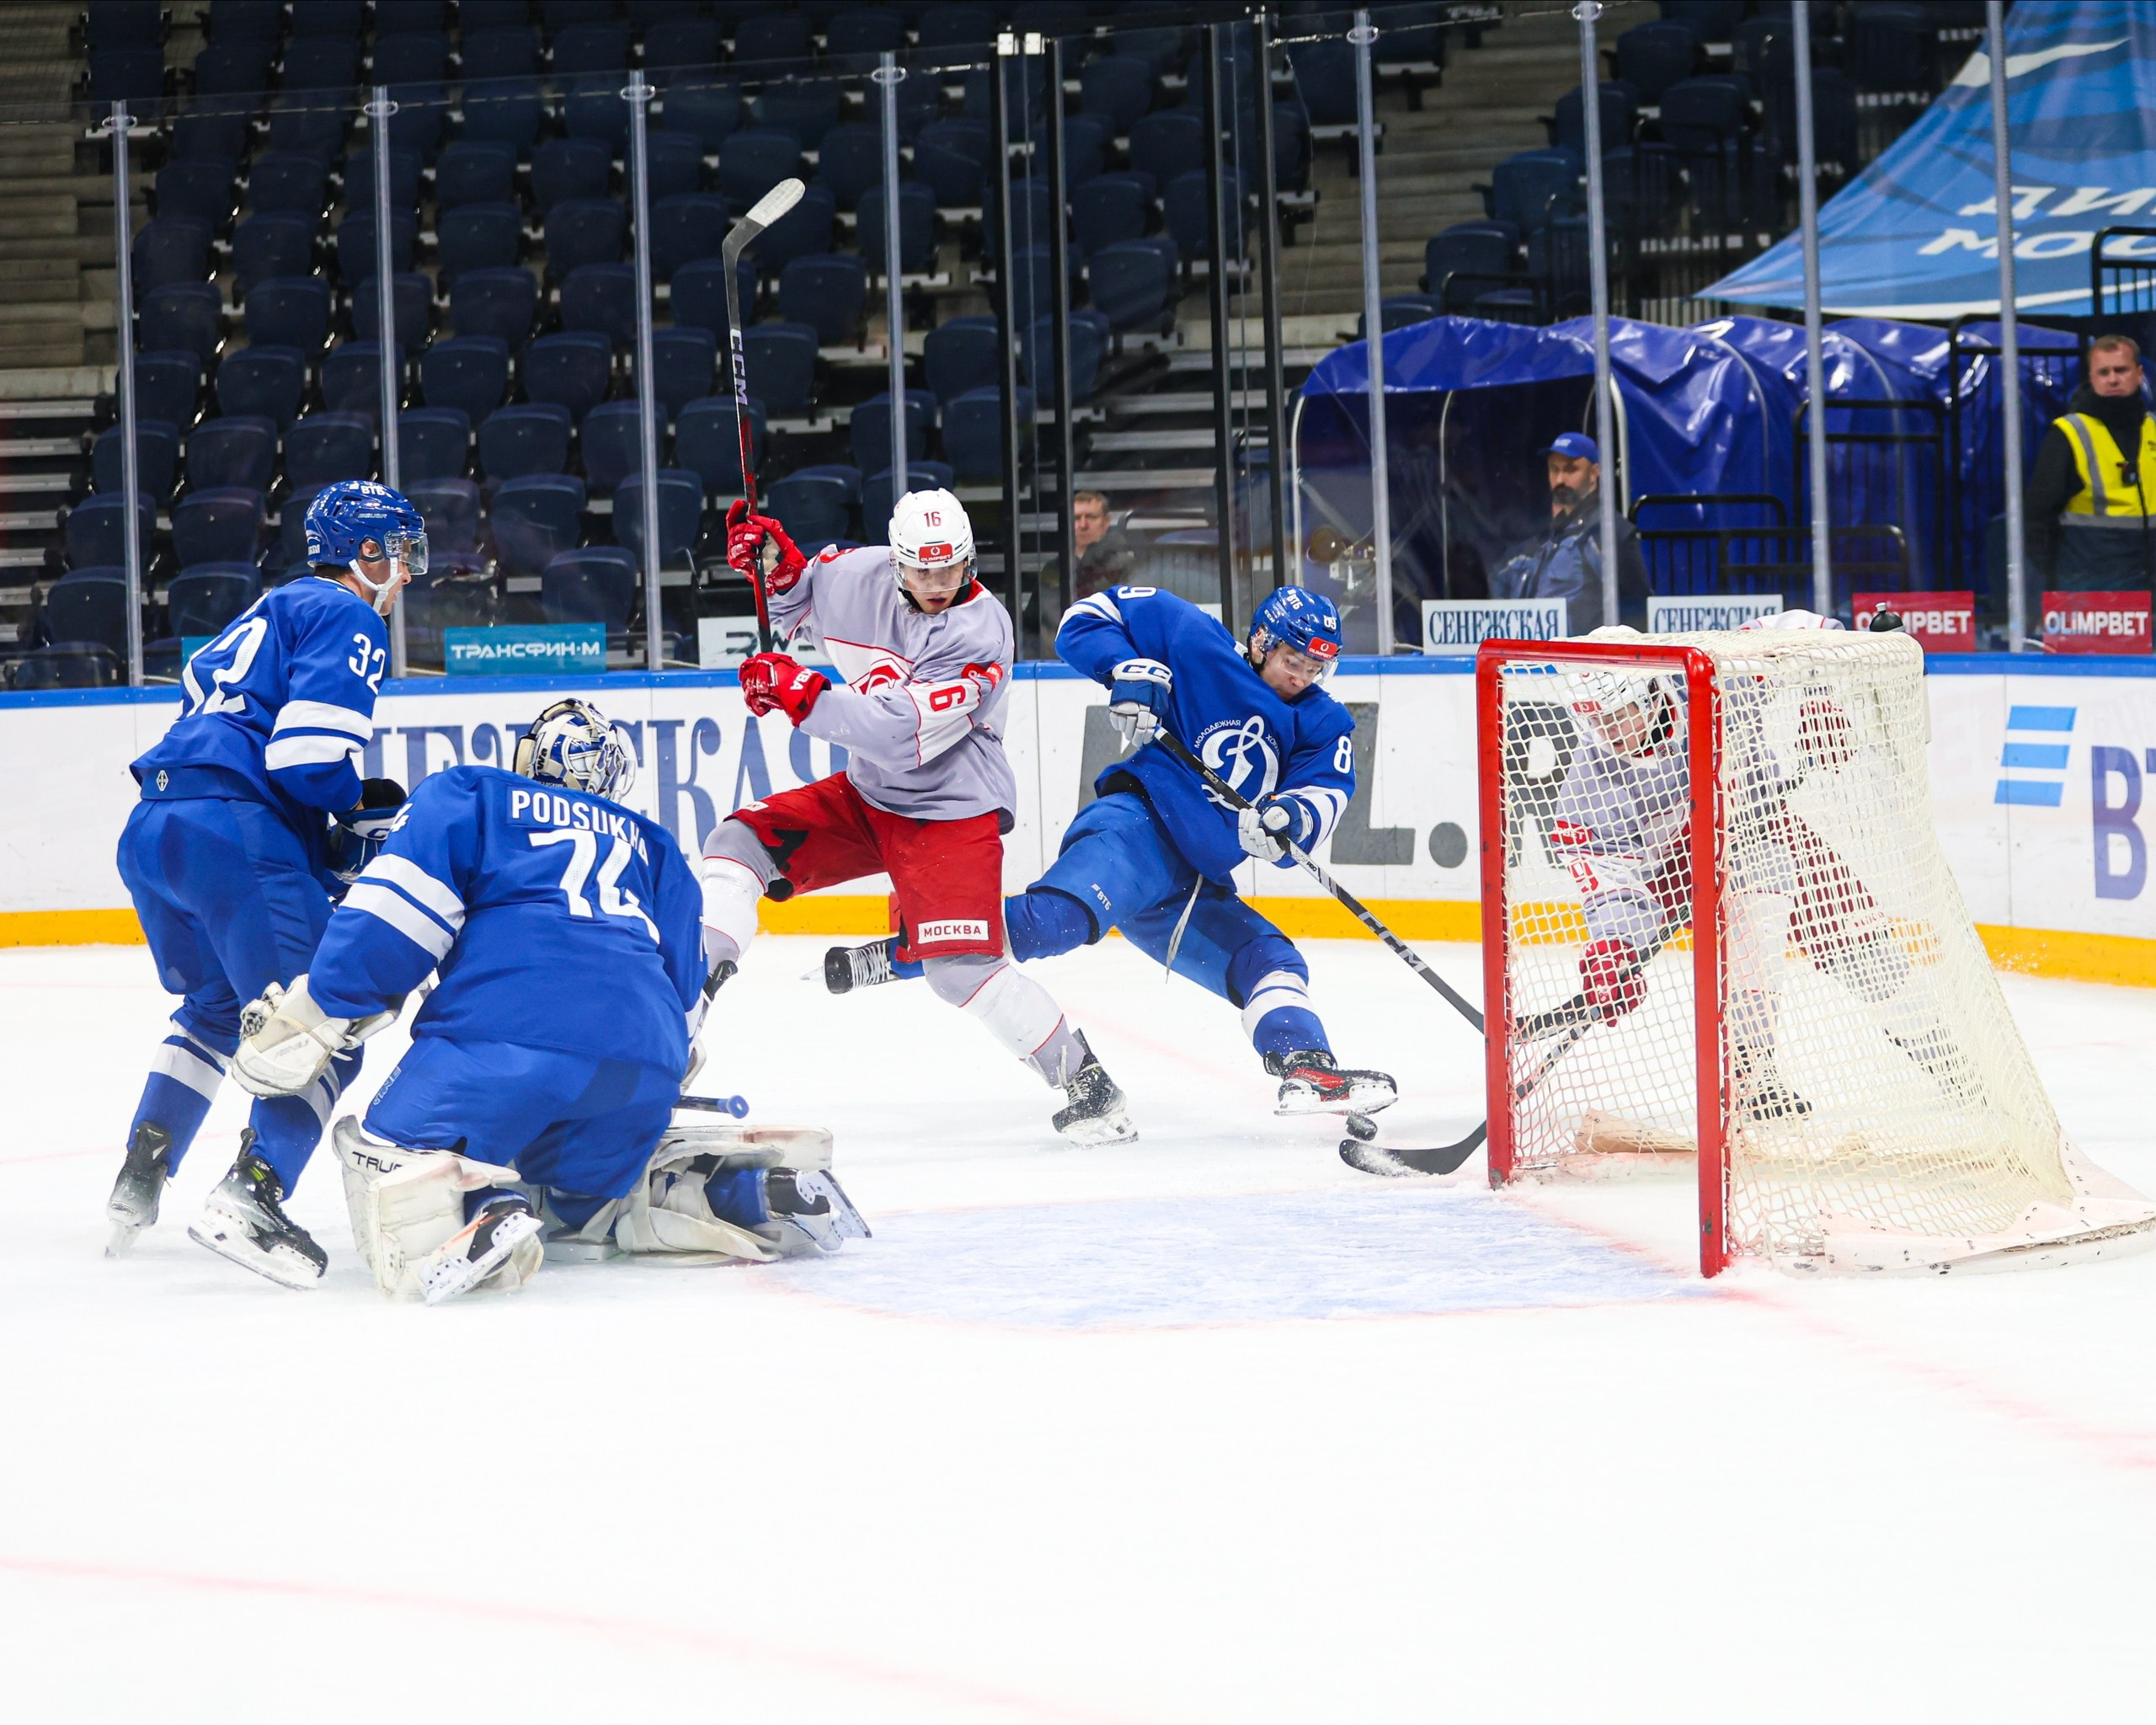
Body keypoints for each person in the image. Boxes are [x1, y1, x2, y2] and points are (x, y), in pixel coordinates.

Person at [228, 698, 867, 1304]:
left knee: (386, 1155)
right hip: (642, 1065)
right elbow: (685, 992)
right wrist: (664, 1060)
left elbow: (394, 918)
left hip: (503, 1039)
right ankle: (739, 1192)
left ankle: (480, 1207)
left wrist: (322, 1005)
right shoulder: (654, 845)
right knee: (581, 1200)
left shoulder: (474, 793)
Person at [825, 585, 1399, 1122]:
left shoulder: (1323, 721)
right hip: (1137, 827)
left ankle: (1307, 1068)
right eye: (1293, 660)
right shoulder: (1194, 638)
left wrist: (1291, 818)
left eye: (1314, 668)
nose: (1301, 677)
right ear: (1262, 641)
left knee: (1270, 960)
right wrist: (1126, 669)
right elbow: (1087, 618)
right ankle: (902, 955)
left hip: (1195, 880)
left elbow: (1326, 791)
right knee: (1054, 922)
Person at [697, 488, 1137, 1145]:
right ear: (896, 562)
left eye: (951, 568)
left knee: (959, 972)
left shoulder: (981, 633)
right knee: (737, 843)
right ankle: (683, 1014)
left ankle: (1087, 1084)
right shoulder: (857, 574)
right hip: (870, 797)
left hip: (950, 812)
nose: (938, 584)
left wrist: (803, 696)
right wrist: (774, 567)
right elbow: (798, 606)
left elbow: (898, 733)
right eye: (922, 570)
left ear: (969, 560)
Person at [104, 478, 421, 1283]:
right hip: (231, 832)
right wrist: (354, 809)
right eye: (401, 552)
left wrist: (317, 840)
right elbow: (306, 759)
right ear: (366, 552)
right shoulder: (349, 615)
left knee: (215, 1012)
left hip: (154, 828)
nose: (407, 572)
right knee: (328, 1019)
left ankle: (140, 1177)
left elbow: (247, 743)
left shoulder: (265, 611)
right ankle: (253, 1195)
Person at [1546, 611, 1973, 1123]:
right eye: (1596, 720)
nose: (1609, 732)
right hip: (1672, 870)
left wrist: (1822, 697)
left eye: (1619, 715)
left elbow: (1802, 631)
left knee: (1860, 942)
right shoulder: (1589, 785)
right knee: (1702, 934)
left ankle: (1945, 1059)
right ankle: (1754, 1074)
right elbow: (1611, 878)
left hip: (1762, 824)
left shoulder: (1721, 673)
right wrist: (1615, 947)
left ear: (1652, 692)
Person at [2025, 332, 2156, 594]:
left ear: (2139, 373)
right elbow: (2037, 516)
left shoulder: (2152, 427)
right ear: (2091, 378)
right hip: (2090, 586)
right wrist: (2058, 574)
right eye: (2103, 372)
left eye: (2121, 370)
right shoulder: (2069, 433)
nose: (2113, 379)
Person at [1486, 432, 1649, 636]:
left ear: (1594, 473)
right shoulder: (1546, 535)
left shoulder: (1610, 532)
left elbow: (1638, 605)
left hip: (1587, 651)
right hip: (1540, 648)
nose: (1560, 479)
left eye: (1571, 469)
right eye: (1554, 469)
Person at [1071, 489, 1138, 600]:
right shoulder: (1055, 568)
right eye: (1076, 518)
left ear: (1107, 521)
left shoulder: (1125, 566)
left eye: (1091, 517)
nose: (1083, 525)